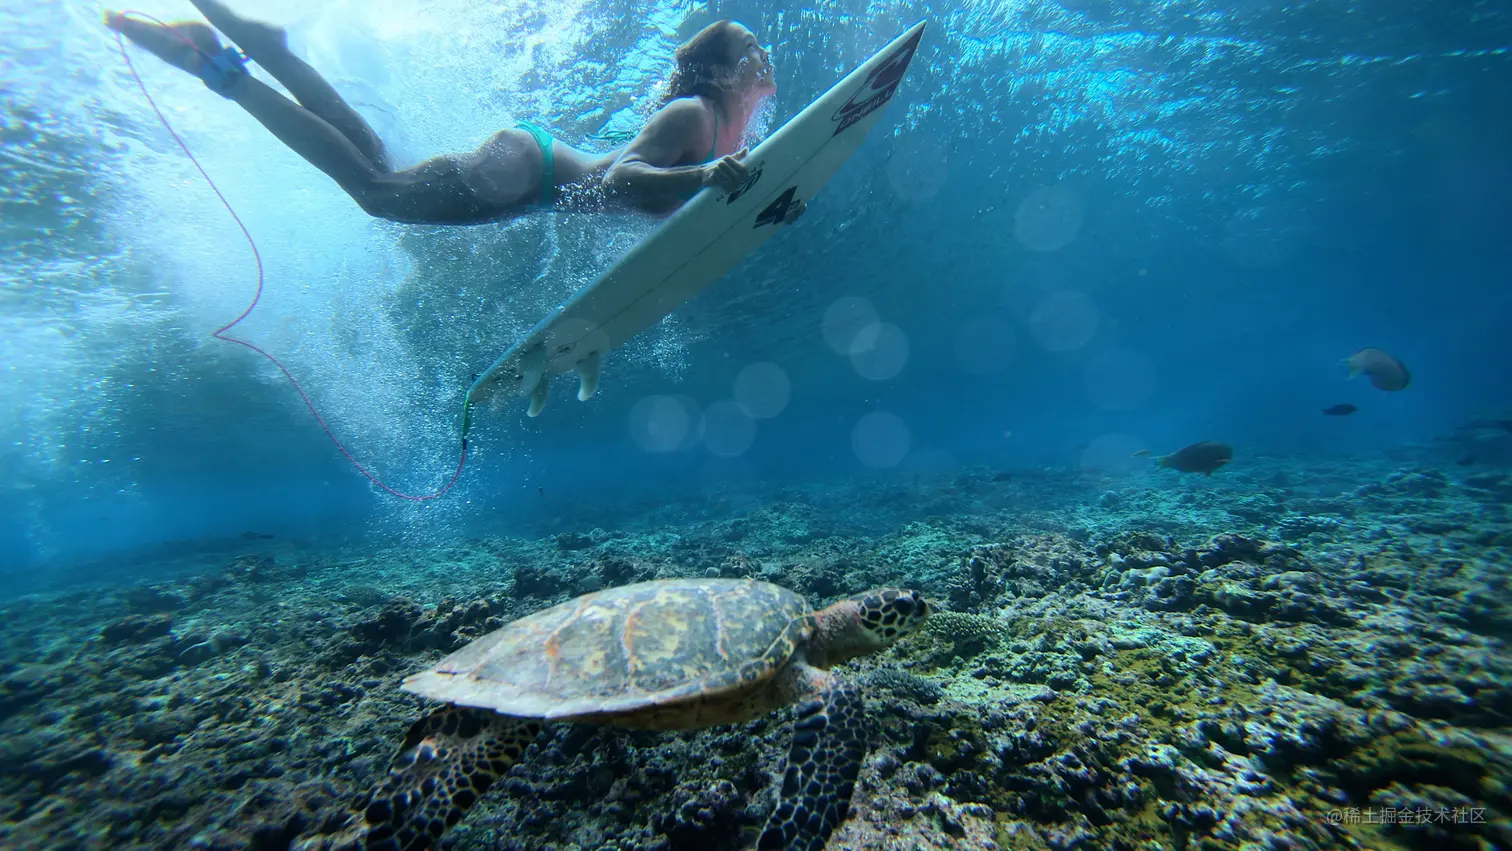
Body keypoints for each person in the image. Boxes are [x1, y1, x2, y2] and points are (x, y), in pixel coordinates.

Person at [105, 2, 780, 225]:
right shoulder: (694, 117)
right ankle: (220, 73)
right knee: (376, 194)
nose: (763, 53)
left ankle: (268, 50)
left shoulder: (728, 130)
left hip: (530, 176)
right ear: (720, 70)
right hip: (530, 174)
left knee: (373, 158)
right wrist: (704, 177)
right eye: (750, 46)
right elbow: (615, 182)